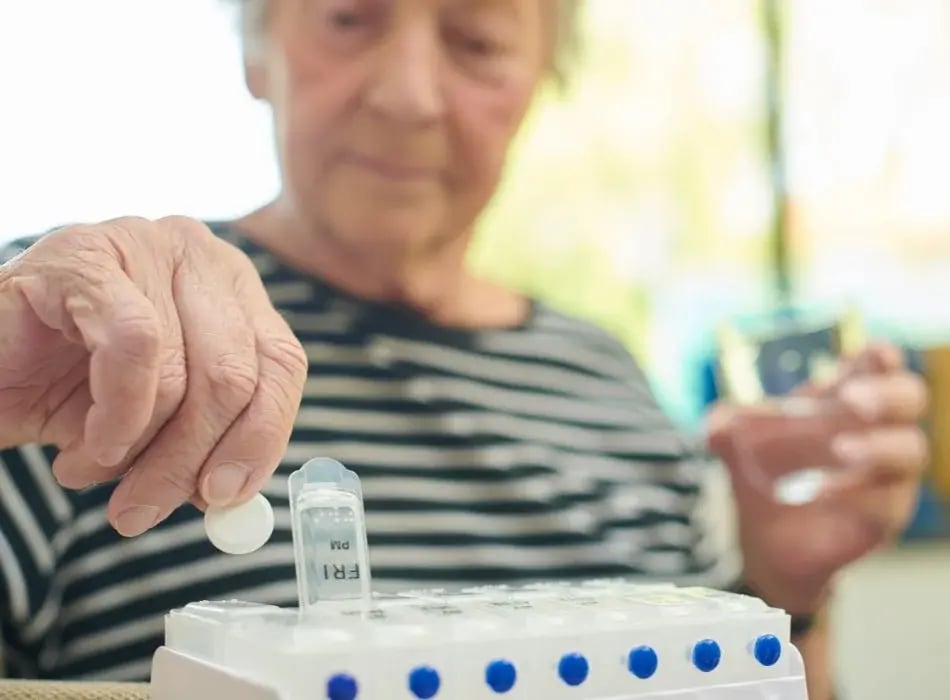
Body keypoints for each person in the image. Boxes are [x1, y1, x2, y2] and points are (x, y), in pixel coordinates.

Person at [0, 1, 928, 697]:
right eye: (350, 17)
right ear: (258, 46)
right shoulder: (83, 342)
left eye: (477, 38)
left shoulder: (609, 384)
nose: (407, 96)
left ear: (540, 80)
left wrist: (785, 593)